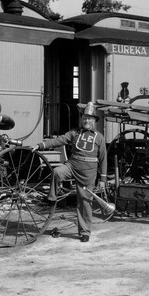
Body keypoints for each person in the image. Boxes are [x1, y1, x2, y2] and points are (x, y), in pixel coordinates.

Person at [33, 102, 107, 243]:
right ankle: (52, 198)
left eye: (90, 118)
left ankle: (85, 232)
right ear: (82, 119)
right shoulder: (74, 133)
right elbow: (59, 140)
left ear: (94, 121)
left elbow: (103, 159)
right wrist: (41, 145)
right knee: (57, 172)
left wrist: (102, 179)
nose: (86, 121)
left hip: (88, 173)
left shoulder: (99, 137)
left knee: (84, 203)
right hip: (72, 165)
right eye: (85, 118)